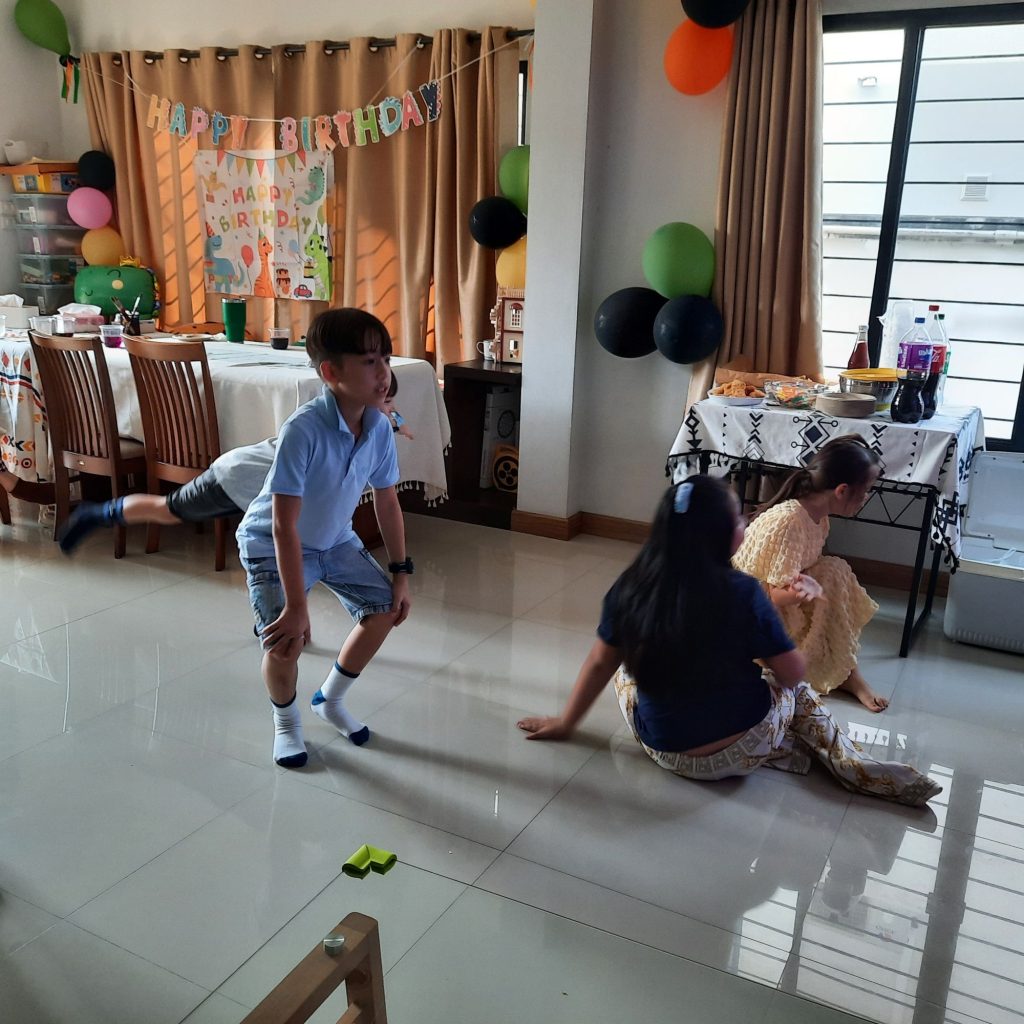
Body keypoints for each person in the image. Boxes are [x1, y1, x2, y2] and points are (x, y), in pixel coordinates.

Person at [517, 476, 940, 806]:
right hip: (744, 749)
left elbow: (597, 662)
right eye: (740, 519)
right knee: (799, 694)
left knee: (622, 667)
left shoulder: (631, 587)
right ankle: (852, 766)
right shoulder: (746, 594)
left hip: (666, 751)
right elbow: (792, 674)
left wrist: (566, 723)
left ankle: (786, 752)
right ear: (726, 537)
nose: (746, 523)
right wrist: (774, 634)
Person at [237, 308, 412, 768]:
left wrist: (401, 574)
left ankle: (330, 700)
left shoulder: (378, 426)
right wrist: (297, 607)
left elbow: (387, 502)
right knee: (285, 643)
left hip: (334, 541)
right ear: (331, 372)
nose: (384, 373)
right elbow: (283, 525)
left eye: (386, 358)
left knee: (385, 609)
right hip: (273, 545)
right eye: (370, 362)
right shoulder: (304, 430)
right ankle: (286, 723)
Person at [55, 372, 408, 554]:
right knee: (167, 510)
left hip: (258, 493)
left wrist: (398, 422)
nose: (387, 409)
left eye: (389, 403)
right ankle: (96, 514)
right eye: (384, 402)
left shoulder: (365, 424)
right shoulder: (320, 426)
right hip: (235, 478)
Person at [732, 435, 886, 712]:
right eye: (865, 491)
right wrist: (807, 591)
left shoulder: (818, 515)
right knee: (829, 577)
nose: (866, 498)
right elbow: (775, 595)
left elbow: (797, 570)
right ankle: (840, 672)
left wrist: (810, 586)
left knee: (834, 570)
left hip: (779, 590)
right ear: (841, 490)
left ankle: (847, 671)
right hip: (754, 607)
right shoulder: (790, 521)